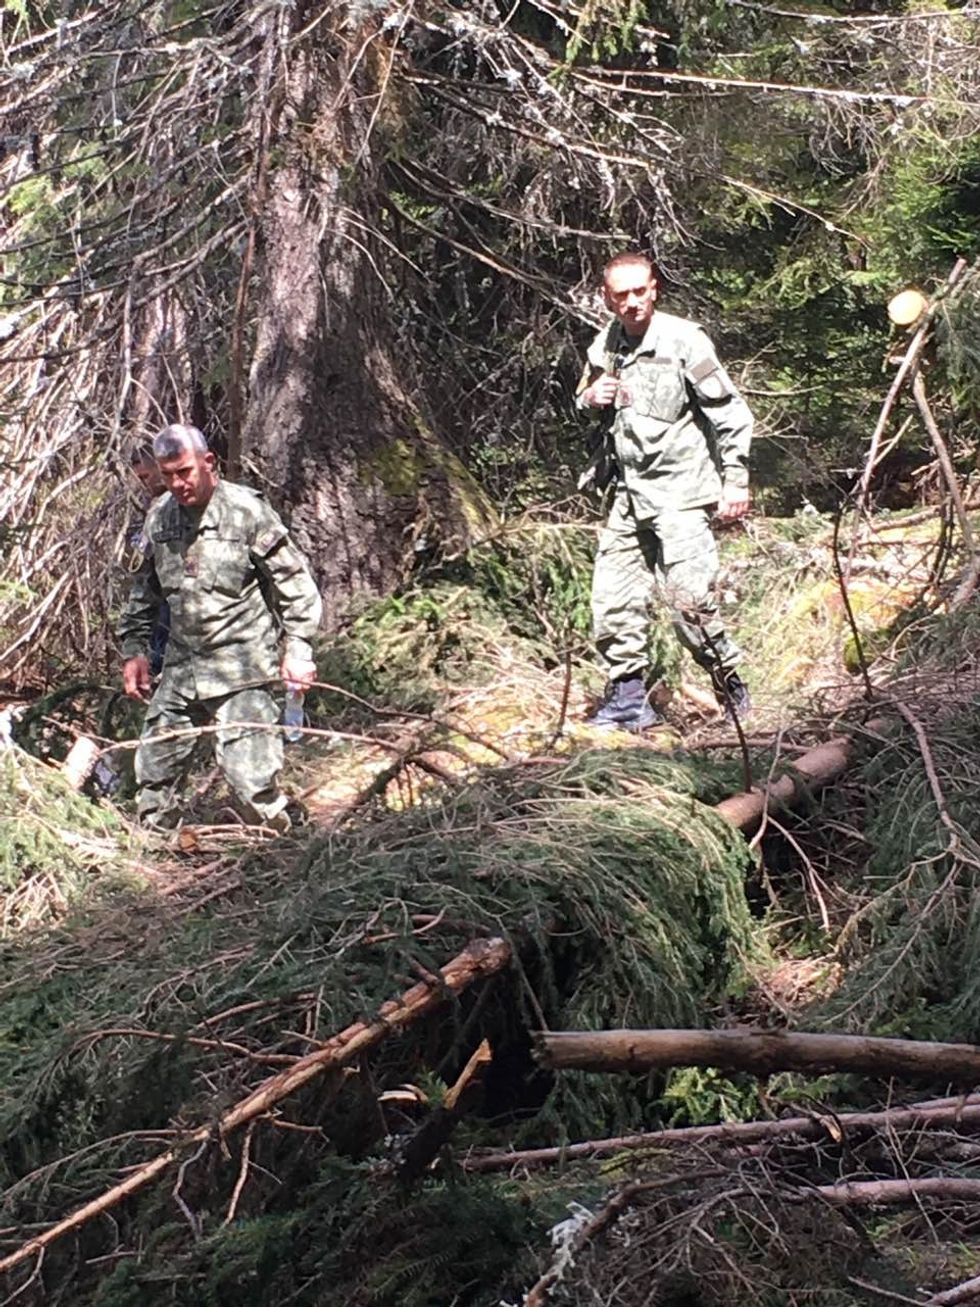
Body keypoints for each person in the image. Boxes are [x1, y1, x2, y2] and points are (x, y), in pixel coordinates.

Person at [577, 252, 753, 730]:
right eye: (621, 295)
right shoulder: (606, 344)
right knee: (611, 599)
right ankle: (629, 701)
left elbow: (731, 413)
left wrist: (735, 480)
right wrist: (592, 398)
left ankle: (733, 692)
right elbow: (585, 394)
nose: (632, 303)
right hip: (628, 496)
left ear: (654, 288)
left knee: (689, 602)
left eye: (640, 291)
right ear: (607, 298)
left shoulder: (683, 341)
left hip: (680, 494)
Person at [117, 423, 323, 831]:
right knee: (154, 771)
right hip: (182, 667)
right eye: (167, 474)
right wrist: (135, 650)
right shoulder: (160, 517)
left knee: (252, 784)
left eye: (185, 472)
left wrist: (299, 649)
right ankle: (159, 854)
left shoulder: (246, 512)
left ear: (208, 463)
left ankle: (295, 851)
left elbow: (294, 585)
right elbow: (144, 590)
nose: (176, 483)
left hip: (241, 666)